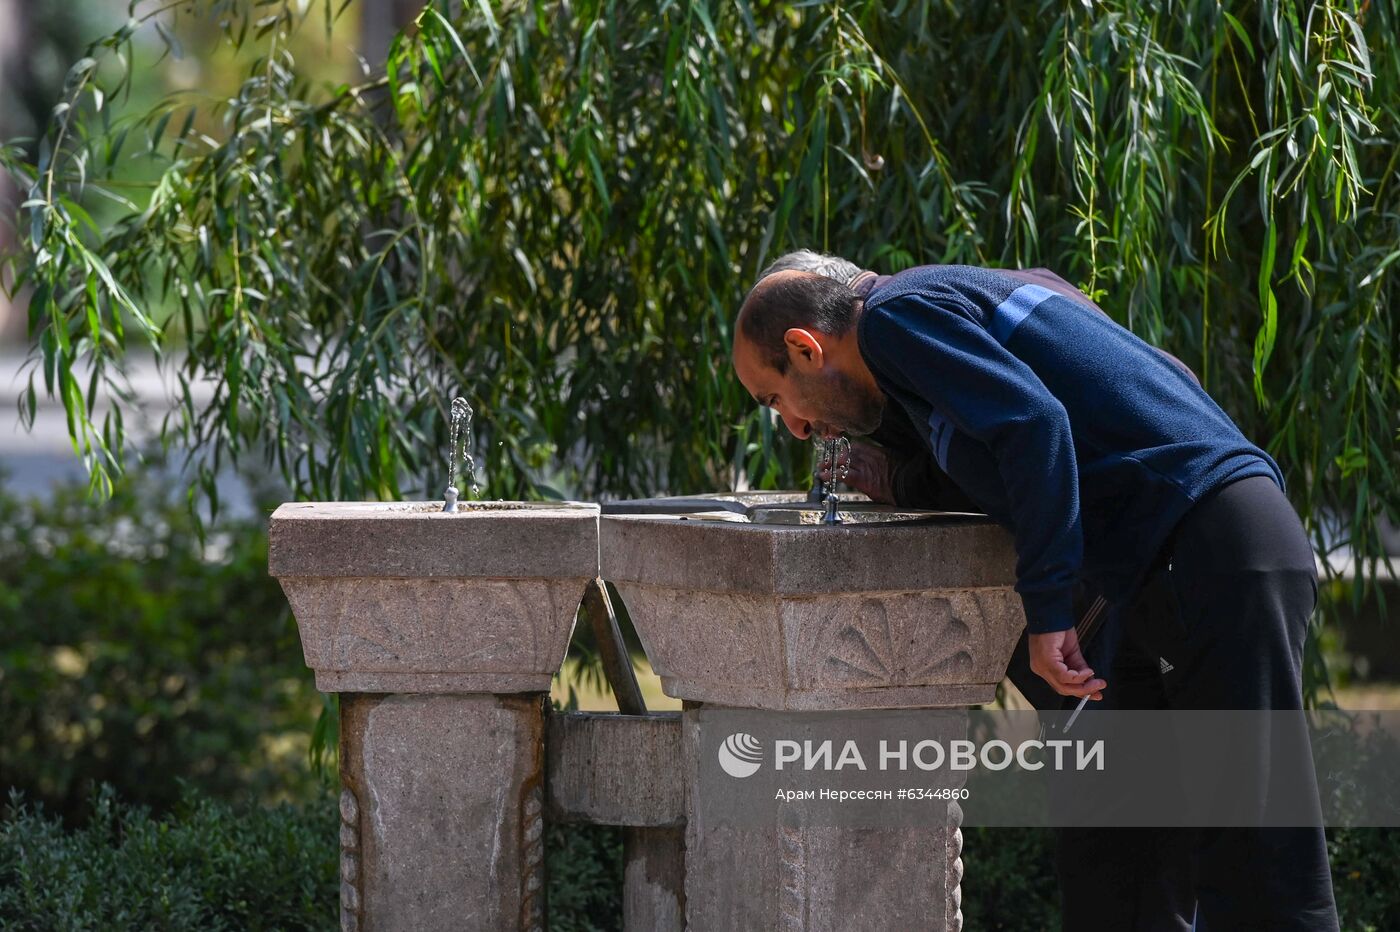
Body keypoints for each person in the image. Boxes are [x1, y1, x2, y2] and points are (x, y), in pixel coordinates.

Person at [730, 251, 1339, 931]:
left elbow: (1033, 426)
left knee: (1260, 876)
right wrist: (898, 482)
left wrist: (1049, 613)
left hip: (1212, 550)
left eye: (774, 399)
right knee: (1128, 857)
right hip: (1198, 555)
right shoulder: (976, 299)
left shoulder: (893, 319)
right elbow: (1045, 437)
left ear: (804, 348)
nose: (793, 427)